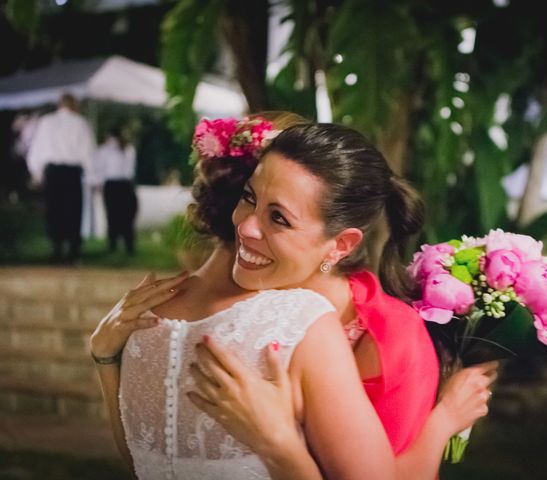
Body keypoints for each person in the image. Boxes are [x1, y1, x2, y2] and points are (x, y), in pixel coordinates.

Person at [90, 117, 495, 479]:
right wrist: (279, 444)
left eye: (278, 217)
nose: (246, 227)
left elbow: (141, 462)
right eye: (249, 198)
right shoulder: (305, 322)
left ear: (340, 244)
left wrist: (106, 359)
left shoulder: (154, 315)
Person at [27, 93, 95, 264]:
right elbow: (88, 152)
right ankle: (73, 251)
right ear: (74, 105)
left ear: (59, 104)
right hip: (72, 172)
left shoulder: (46, 122)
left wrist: (36, 172)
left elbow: (37, 149)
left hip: (53, 172)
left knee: (54, 209)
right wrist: (92, 176)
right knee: (73, 210)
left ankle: (57, 249)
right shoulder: (81, 123)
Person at [94, 127, 138, 254]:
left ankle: (117, 245)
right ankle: (121, 245)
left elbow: (99, 169)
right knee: (123, 217)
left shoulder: (125, 149)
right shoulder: (123, 149)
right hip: (120, 184)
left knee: (115, 216)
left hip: (116, 184)